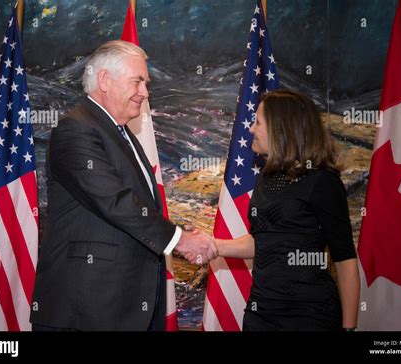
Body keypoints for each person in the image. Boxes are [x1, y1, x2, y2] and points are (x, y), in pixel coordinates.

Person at [30, 41, 217, 331]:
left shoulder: (120, 134)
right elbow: (115, 201)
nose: (145, 92)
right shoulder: (75, 129)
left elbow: (138, 207)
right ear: (104, 80)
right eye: (138, 81)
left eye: (146, 83)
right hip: (86, 310)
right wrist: (181, 240)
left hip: (123, 308)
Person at [212, 89, 360, 331]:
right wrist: (213, 246)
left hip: (309, 318)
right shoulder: (266, 177)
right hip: (260, 315)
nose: (250, 129)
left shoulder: (323, 182)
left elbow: (345, 260)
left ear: (281, 129)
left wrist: (349, 328)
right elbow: (262, 241)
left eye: (257, 122)